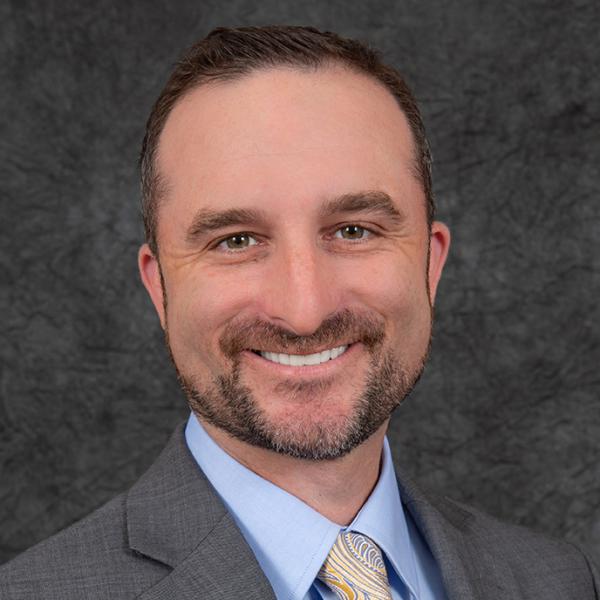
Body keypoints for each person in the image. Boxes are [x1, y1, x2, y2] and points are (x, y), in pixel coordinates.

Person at [0, 25, 597, 600]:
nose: (305, 312)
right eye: (236, 240)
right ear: (160, 290)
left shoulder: (556, 579)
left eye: (354, 230)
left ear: (430, 266)